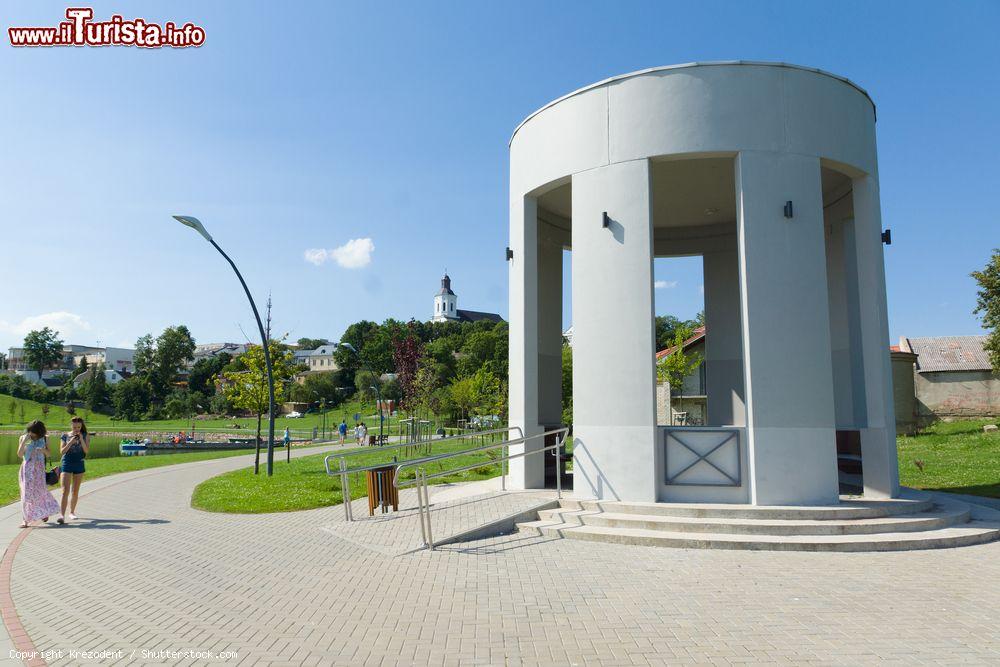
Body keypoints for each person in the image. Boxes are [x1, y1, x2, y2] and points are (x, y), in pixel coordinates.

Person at [16, 421, 60, 528]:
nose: (32, 435)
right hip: (27, 470)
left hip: (39, 470)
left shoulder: (45, 438)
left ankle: (43, 511)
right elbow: (19, 454)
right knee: (26, 494)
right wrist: (24, 442)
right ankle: (25, 520)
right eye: (31, 432)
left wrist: (44, 450)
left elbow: (49, 454)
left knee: (41, 492)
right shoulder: (23, 437)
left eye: (35, 433)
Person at [58, 416, 89, 523]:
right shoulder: (65, 435)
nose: (77, 429)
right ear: (71, 425)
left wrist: (81, 439)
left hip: (79, 464)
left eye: (79, 427)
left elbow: (86, 451)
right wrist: (70, 442)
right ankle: (61, 515)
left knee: (75, 491)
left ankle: (71, 512)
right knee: (64, 491)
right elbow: (62, 451)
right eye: (75, 427)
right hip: (67, 463)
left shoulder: (85, 435)